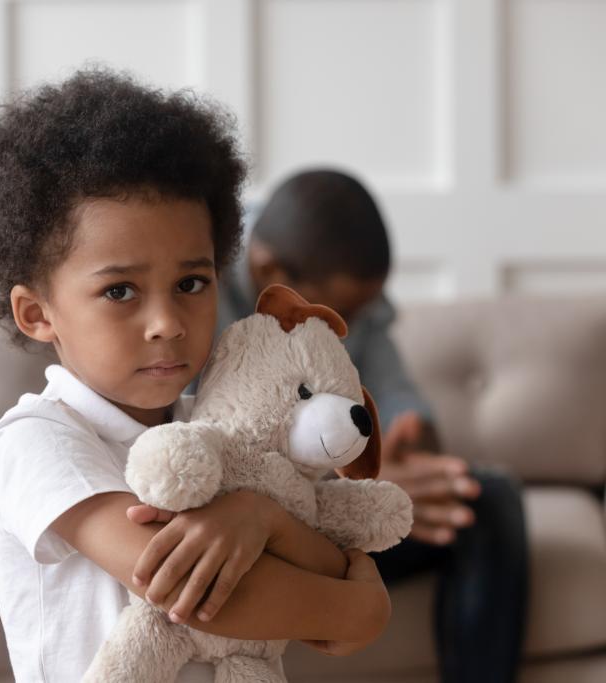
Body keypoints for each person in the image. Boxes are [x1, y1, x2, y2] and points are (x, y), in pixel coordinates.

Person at [0, 69, 393, 683]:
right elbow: (195, 600)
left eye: (191, 283)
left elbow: (364, 617)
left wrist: (259, 518)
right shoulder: (40, 438)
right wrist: (346, 598)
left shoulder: (216, 435)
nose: (167, 322)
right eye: (120, 290)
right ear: (37, 314)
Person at [220, 167, 529, 683]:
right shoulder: (196, 287)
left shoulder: (349, 296)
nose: (355, 324)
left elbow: (395, 388)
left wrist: (412, 435)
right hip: (250, 518)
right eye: (344, 312)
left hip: (335, 509)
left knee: (483, 496)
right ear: (268, 268)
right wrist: (358, 483)